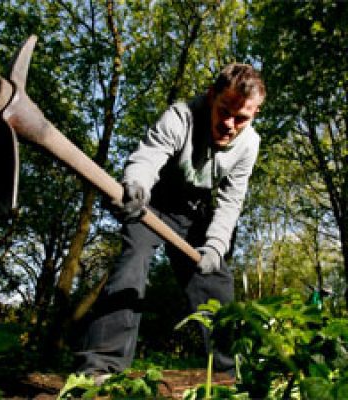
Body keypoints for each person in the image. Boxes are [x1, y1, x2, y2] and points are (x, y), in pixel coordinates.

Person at [76, 63, 266, 383]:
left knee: (216, 281)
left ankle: (233, 373)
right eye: (225, 111)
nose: (230, 124)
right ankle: (101, 367)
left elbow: (231, 200)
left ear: (255, 113)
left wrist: (216, 246)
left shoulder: (250, 144)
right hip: (152, 202)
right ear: (211, 97)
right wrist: (135, 185)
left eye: (242, 118)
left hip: (194, 213)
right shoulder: (181, 116)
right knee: (131, 265)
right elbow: (151, 154)